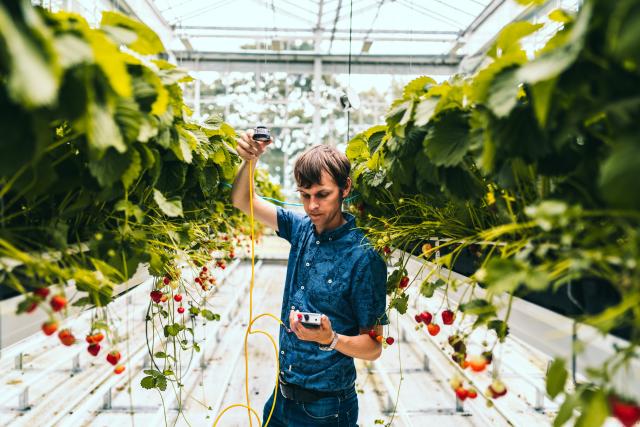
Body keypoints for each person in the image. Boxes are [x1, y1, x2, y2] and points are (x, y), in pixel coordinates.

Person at [231, 129, 388, 426]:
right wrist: (251, 159)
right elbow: (242, 200)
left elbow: (374, 346)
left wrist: (330, 339)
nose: (312, 206)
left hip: (327, 409)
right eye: (305, 196)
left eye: (322, 195)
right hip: (280, 399)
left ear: (345, 188)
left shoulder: (365, 256)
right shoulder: (300, 227)